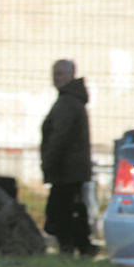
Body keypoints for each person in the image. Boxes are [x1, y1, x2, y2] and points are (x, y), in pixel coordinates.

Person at [40, 59, 96, 256]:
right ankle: (83, 248)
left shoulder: (69, 102)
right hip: (70, 170)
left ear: (72, 75)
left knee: (59, 214)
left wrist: (48, 162)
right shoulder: (70, 99)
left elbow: (59, 137)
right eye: (55, 73)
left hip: (66, 169)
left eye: (61, 73)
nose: (57, 78)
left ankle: (70, 249)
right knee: (72, 211)